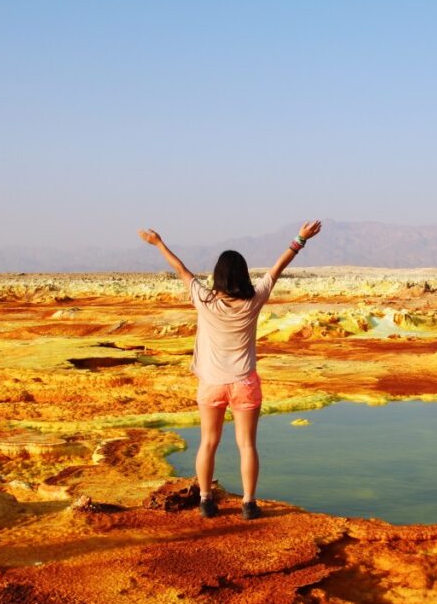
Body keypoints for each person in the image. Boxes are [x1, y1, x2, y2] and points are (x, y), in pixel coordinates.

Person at [137, 220, 322, 520]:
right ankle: (248, 504)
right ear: (244, 274)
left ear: (218, 275)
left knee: (208, 442)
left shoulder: (204, 300)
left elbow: (182, 270)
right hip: (244, 383)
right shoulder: (254, 300)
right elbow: (278, 267)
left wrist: (158, 243)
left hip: (211, 383)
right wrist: (301, 238)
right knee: (247, 444)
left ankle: (206, 500)